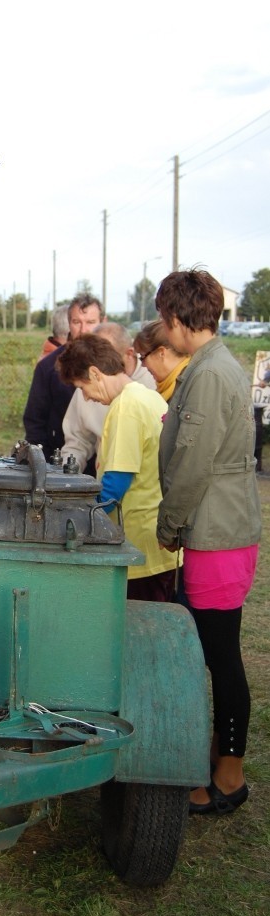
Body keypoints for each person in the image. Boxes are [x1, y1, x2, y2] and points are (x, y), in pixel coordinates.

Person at [155, 268, 261, 816]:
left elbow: (192, 465)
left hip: (217, 534)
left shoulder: (212, 373)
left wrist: (168, 523)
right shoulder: (212, 365)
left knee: (220, 657)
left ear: (177, 319)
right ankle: (220, 754)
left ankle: (230, 775)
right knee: (217, 653)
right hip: (217, 532)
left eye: (162, 318)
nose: (160, 328)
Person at [58, 334, 175, 601]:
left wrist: (79, 521)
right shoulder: (147, 396)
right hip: (154, 541)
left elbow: (114, 486)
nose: (86, 399)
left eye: (82, 388)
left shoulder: (127, 407)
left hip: (138, 543)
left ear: (95, 373)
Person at [62, 322, 156, 474]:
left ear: (129, 353)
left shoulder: (152, 384)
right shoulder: (87, 386)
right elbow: (77, 441)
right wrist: (66, 479)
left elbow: (121, 473)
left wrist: (106, 497)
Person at [23, 292, 104, 458]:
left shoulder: (115, 363)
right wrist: (43, 466)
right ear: (69, 323)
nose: (83, 330)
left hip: (105, 462)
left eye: (90, 322)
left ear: (103, 322)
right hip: (60, 460)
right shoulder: (48, 367)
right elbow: (35, 421)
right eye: (76, 322)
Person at [133, 319, 189, 401]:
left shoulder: (187, 388)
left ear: (161, 353)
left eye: (143, 357)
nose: (142, 365)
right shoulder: (182, 383)